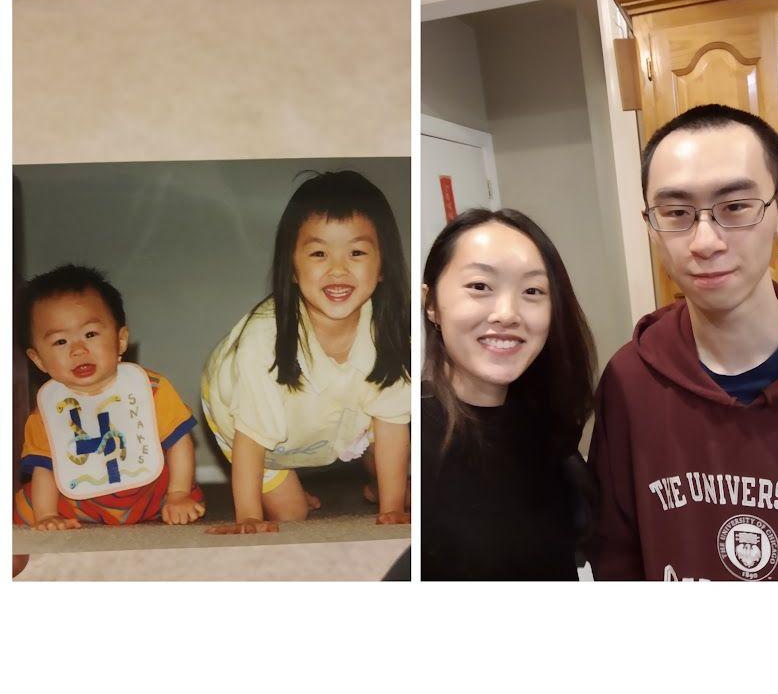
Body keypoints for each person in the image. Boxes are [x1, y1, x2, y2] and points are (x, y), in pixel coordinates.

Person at [588, 104, 778, 581]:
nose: (705, 240)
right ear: (652, 225)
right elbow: (616, 560)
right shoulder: (629, 381)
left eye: (735, 207)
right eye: (676, 213)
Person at [202, 170, 411, 534]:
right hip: (248, 424)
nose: (338, 269)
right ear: (293, 269)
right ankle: (290, 488)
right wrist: (248, 517)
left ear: (382, 268)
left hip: (333, 404)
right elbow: (250, 440)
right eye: (318, 253)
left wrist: (392, 509)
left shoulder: (389, 331)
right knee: (291, 515)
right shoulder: (262, 343)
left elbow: (392, 423)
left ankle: (378, 484)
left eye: (357, 252)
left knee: (398, 482)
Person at [421, 208, 596, 580]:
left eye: (532, 291)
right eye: (480, 287)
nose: (507, 314)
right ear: (431, 303)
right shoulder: (414, 440)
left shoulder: (548, 428)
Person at [14, 265, 205, 529]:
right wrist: (47, 514)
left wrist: (178, 493)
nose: (78, 350)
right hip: (80, 501)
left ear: (121, 339)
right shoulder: (46, 414)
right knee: (26, 500)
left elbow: (180, 440)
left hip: (150, 492)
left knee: (176, 480)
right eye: (60, 342)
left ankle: (174, 498)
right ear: (38, 359)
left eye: (90, 334)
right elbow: (45, 468)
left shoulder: (151, 389)